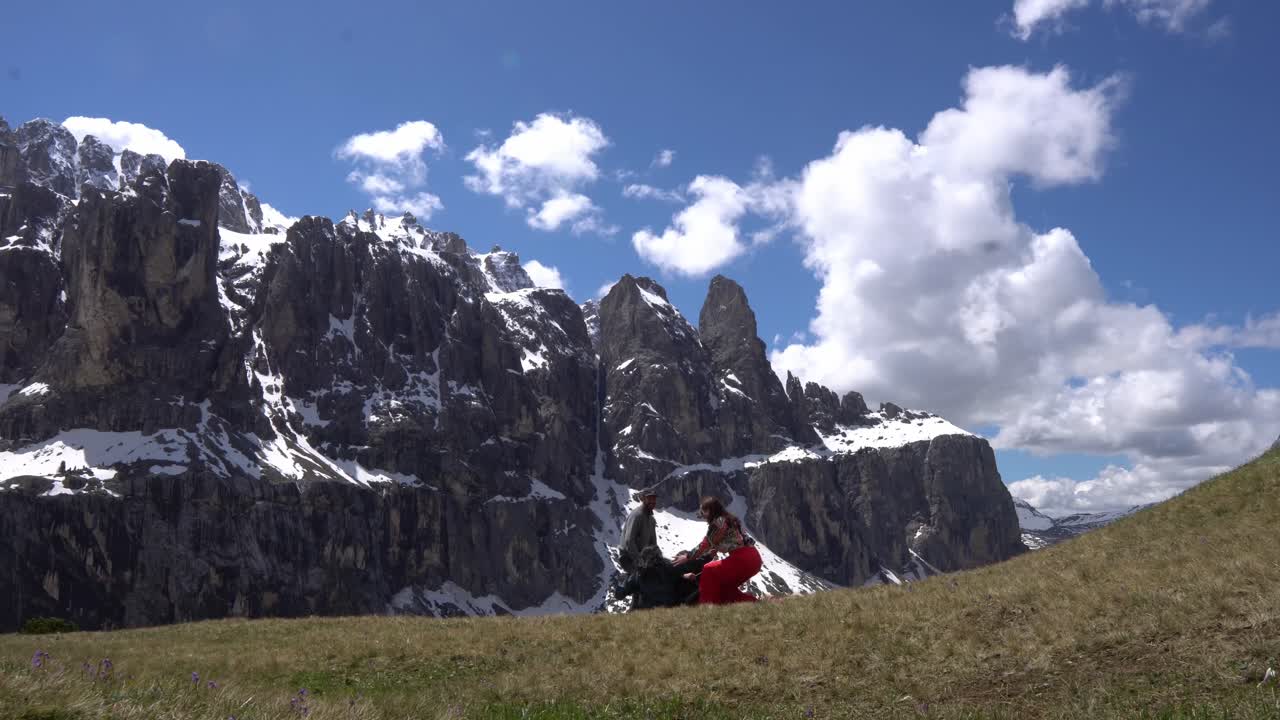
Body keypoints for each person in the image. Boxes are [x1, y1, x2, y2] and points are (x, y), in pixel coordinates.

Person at [675, 496, 762, 605]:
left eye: (704, 511)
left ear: (711, 510)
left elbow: (706, 543)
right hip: (753, 557)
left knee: (708, 570)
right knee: (725, 589)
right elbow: (727, 540)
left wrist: (687, 557)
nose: (702, 514)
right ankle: (758, 605)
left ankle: (707, 609)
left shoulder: (718, 522)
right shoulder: (729, 519)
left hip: (742, 559)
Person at [614, 546, 703, 610]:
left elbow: (619, 595)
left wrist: (621, 583)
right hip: (671, 612)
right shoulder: (672, 567)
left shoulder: (639, 575)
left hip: (647, 615)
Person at [617, 485, 659, 574]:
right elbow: (629, 541)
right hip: (629, 558)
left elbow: (653, 544)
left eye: (654, 498)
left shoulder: (651, 520)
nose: (653, 501)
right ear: (643, 499)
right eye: (649, 498)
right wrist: (640, 561)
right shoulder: (637, 515)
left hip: (642, 559)